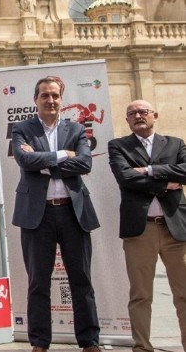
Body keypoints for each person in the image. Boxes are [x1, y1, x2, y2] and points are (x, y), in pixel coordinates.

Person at [11, 76, 101, 352]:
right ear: (35, 99)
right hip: (38, 216)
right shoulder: (21, 129)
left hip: (73, 212)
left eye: (55, 96)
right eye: (44, 96)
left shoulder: (76, 128)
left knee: (81, 280)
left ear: (61, 99)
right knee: (38, 282)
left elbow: (85, 163)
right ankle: (39, 342)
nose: (50, 100)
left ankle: (89, 341)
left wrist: (45, 163)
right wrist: (64, 154)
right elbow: (25, 161)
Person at [108, 100, 186, 352]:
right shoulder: (118, 146)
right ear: (127, 120)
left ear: (155, 115)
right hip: (140, 231)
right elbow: (125, 177)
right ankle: (142, 347)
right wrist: (165, 183)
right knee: (141, 295)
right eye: (132, 113)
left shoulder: (175, 144)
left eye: (143, 112)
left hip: (176, 229)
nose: (138, 116)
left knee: (184, 294)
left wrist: (150, 169)